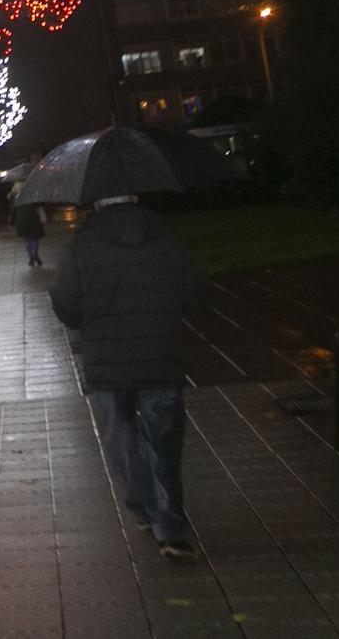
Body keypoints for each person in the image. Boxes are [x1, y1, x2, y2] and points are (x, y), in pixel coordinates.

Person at [49, 194, 205, 560]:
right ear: (137, 200)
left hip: (107, 362)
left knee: (119, 436)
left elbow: (65, 300)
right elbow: (196, 293)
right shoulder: (168, 242)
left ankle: (143, 505)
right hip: (160, 356)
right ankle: (169, 525)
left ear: (99, 204)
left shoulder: (81, 246)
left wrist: (86, 322)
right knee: (163, 441)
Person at [12, 198, 46, 267]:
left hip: (22, 222)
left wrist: (12, 222)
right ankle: (34, 254)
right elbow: (40, 206)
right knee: (35, 239)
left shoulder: (17, 199)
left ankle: (31, 257)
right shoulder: (33, 199)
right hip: (34, 221)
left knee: (27, 240)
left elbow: (13, 212)